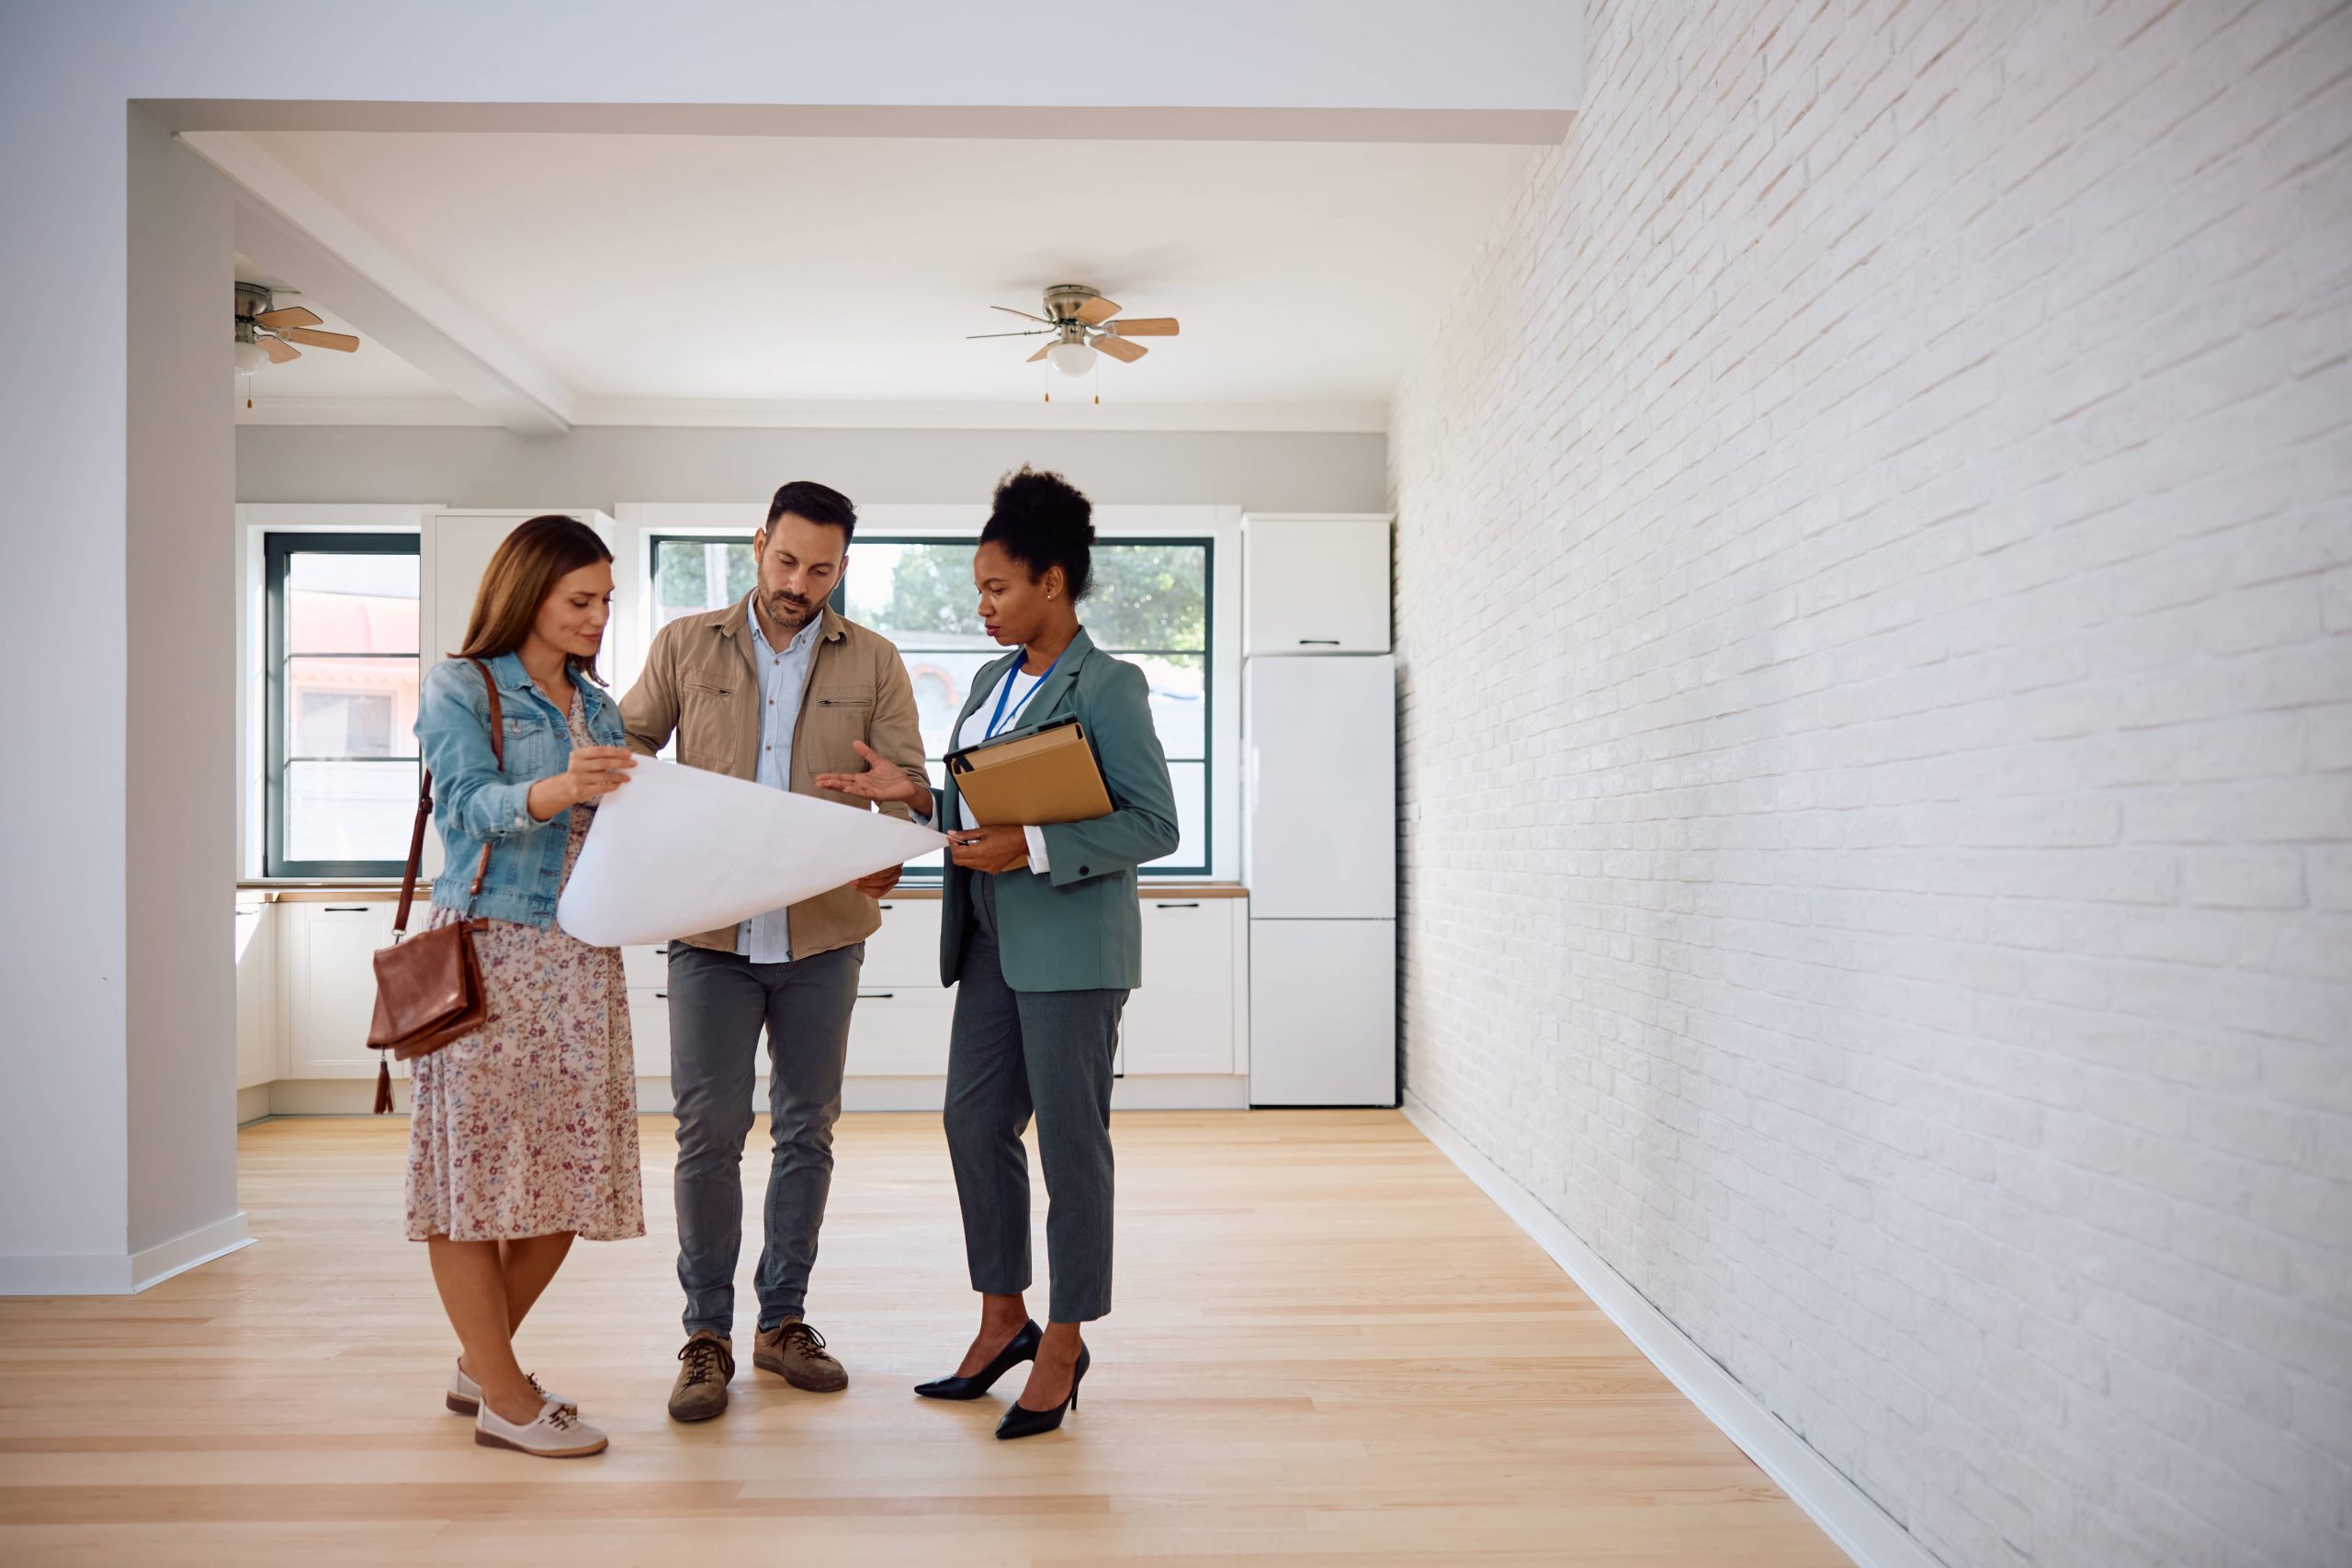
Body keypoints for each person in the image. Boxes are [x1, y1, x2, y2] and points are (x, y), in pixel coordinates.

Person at [815, 467, 1180, 1439]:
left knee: (1071, 1150)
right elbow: (984, 808)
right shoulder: (985, 682)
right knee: (974, 1129)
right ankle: (1001, 1319)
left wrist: (1038, 847)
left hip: (1071, 950)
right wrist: (912, 795)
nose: (980, 606)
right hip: (985, 939)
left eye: (996, 588)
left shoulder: (1108, 685)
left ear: (1051, 583)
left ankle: (1063, 1343)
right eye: (978, 589)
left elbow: (1153, 822)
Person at [620, 479, 933, 1423]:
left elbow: (914, 796)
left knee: (806, 1132)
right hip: (708, 935)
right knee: (707, 1135)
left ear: (844, 567)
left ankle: (782, 1321)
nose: (800, 582)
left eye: (822, 568)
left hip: (825, 936)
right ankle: (705, 1334)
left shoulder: (874, 660)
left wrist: (900, 808)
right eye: (787, 560)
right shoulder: (684, 645)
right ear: (759, 545)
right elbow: (625, 750)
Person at [407, 513, 643, 1460]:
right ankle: (503, 1397)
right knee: (472, 1177)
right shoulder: (462, 687)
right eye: (579, 600)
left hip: (583, 955)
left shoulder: (603, 705)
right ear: (528, 594)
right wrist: (555, 791)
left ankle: (482, 1362)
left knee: (574, 1176)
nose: (596, 617)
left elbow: (619, 834)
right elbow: (462, 806)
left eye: (605, 602)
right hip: (490, 952)